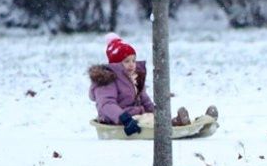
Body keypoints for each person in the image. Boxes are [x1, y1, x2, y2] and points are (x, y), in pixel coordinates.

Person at [88, 33, 217, 136]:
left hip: (137, 116)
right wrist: (124, 118)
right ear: (115, 64)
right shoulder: (106, 80)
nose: (132, 64)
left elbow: (144, 100)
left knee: (154, 118)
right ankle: (177, 125)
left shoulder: (134, 78)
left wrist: (158, 112)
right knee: (149, 121)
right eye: (126, 61)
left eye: (133, 60)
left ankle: (191, 122)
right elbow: (106, 104)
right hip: (118, 120)